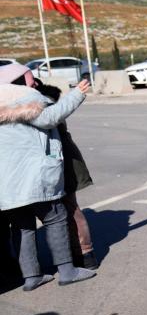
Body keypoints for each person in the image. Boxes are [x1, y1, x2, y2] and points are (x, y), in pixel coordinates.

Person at [0, 64, 96, 290]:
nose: (34, 82)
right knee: (56, 218)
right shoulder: (23, 98)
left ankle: (31, 276)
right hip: (34, 176)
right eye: (30, 78)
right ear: (19, 82)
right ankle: (67, 271)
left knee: (22, 227)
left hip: (7, 182)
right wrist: (77, 95)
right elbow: (50, 117)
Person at [34, 80, 99, 270]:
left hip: (64, 160)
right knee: (62, 209)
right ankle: (73, 253)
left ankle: (84, 253)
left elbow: (51, 117)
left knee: (69, 207)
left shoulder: (44, 103)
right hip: (53, 161)